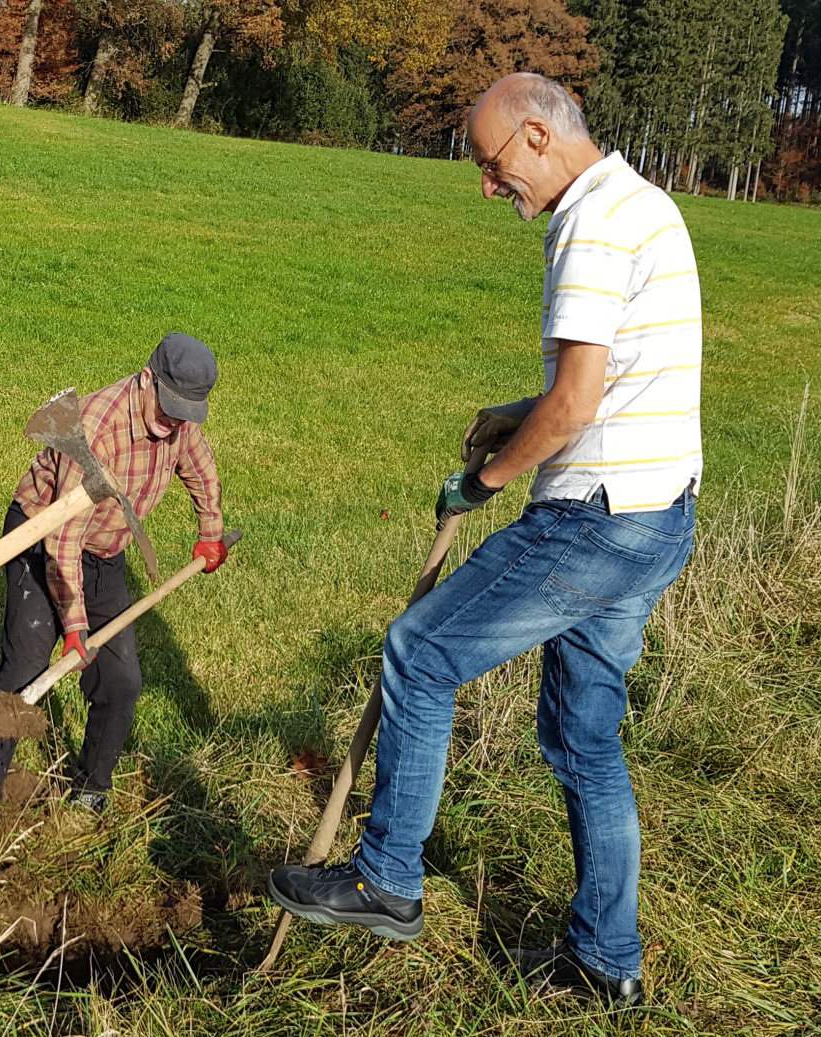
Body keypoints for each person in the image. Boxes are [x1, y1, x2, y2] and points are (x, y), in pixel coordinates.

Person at [267, 73, 702, 1007]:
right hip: (659, 513)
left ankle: (386, 879)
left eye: (491, 162)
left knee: (419, 653)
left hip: (594, 519)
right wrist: (518, 413)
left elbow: (582, 403)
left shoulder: (587, 224)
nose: (487, 184)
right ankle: (606, 961)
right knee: (586, 743)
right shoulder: (647, 204)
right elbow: (612, 379)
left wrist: (484, 479)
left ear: (540, 136)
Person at [0, 334, 228, 869]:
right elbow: (61, 539)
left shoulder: (179, 422)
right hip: (40, 538)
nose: (174, 423)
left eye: (186, 414)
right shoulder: (95, 429)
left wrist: (210, 528)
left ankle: (92, 787)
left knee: (121, 679)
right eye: (168, 409)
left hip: (104, 548)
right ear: (146, 380)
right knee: (26, 666)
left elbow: (199, 464)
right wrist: (73, 624)